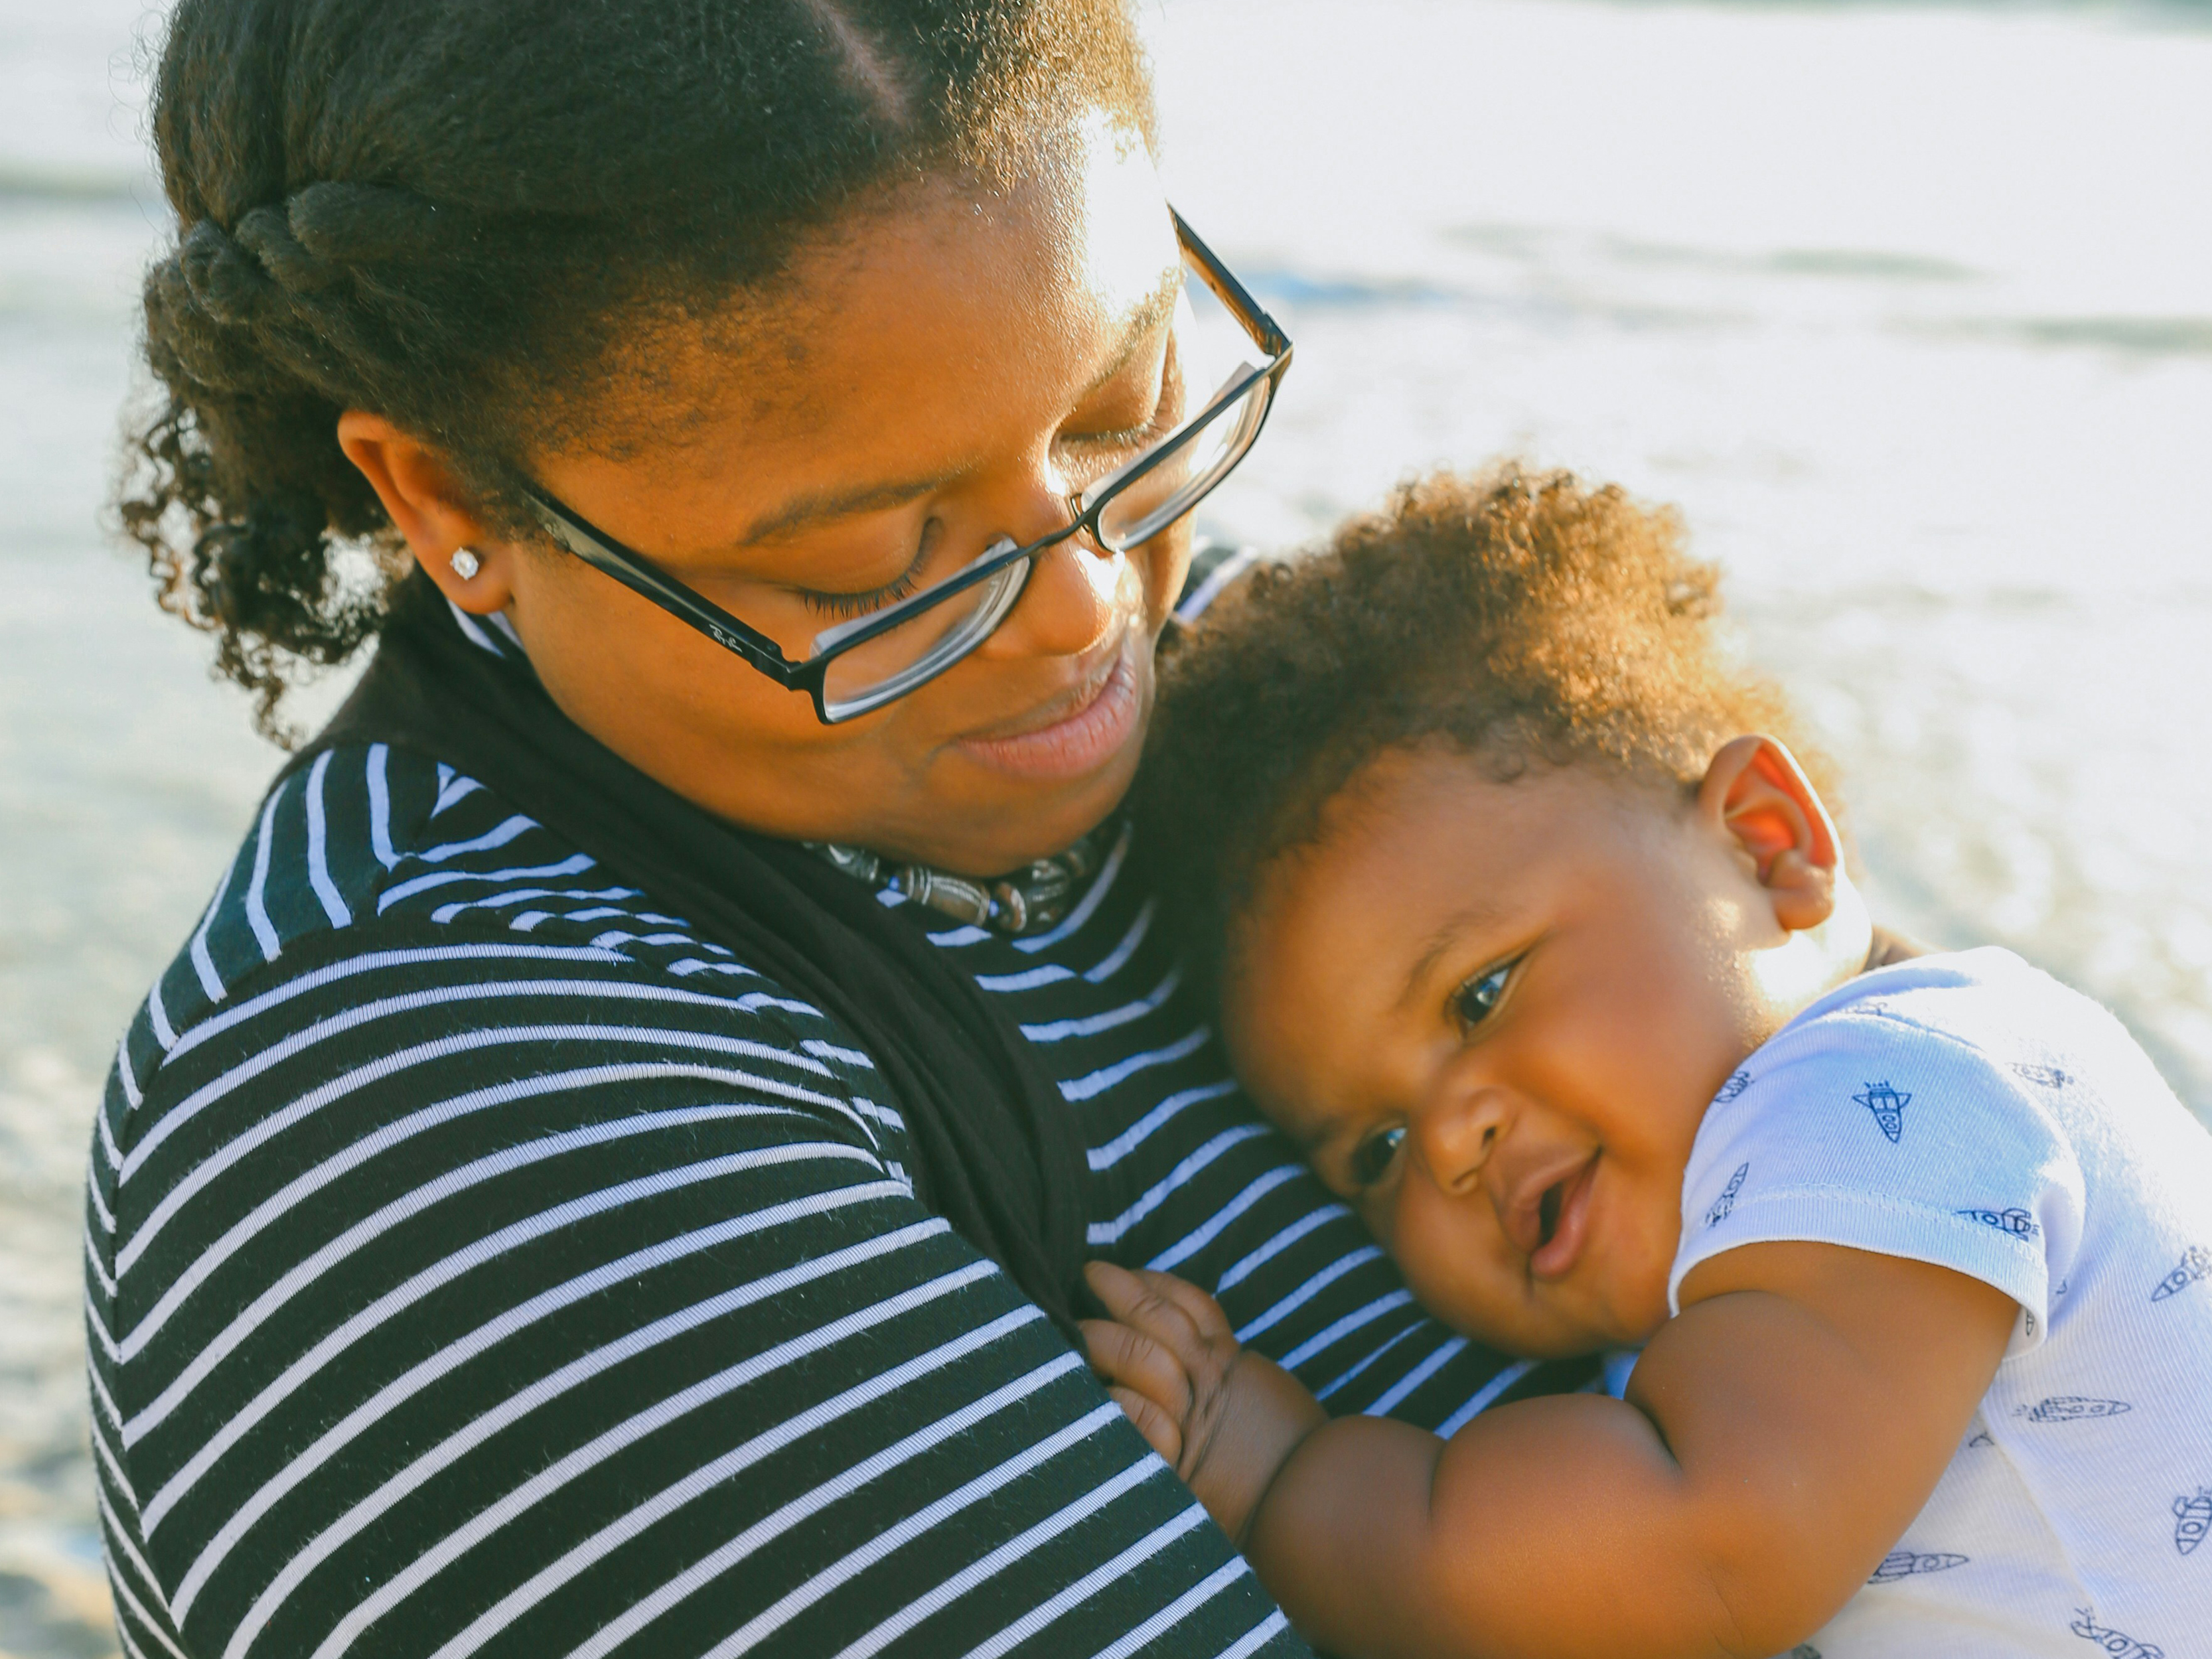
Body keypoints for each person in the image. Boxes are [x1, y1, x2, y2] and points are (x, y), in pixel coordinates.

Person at [91, 5, 1594, 1657]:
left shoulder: (1295, 691)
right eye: (870, 564)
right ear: (449, 500)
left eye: (1116, 405)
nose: (1084, 607)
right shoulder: (418, 1129)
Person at [1094, 465, 2212, 1658]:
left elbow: (1701, 1548)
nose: (1447, 1141)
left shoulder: (1891, 1088)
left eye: (1480, 993)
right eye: (1374, 1152)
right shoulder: (1759, 1272)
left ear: (1763, 845)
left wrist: (1278, 1484)